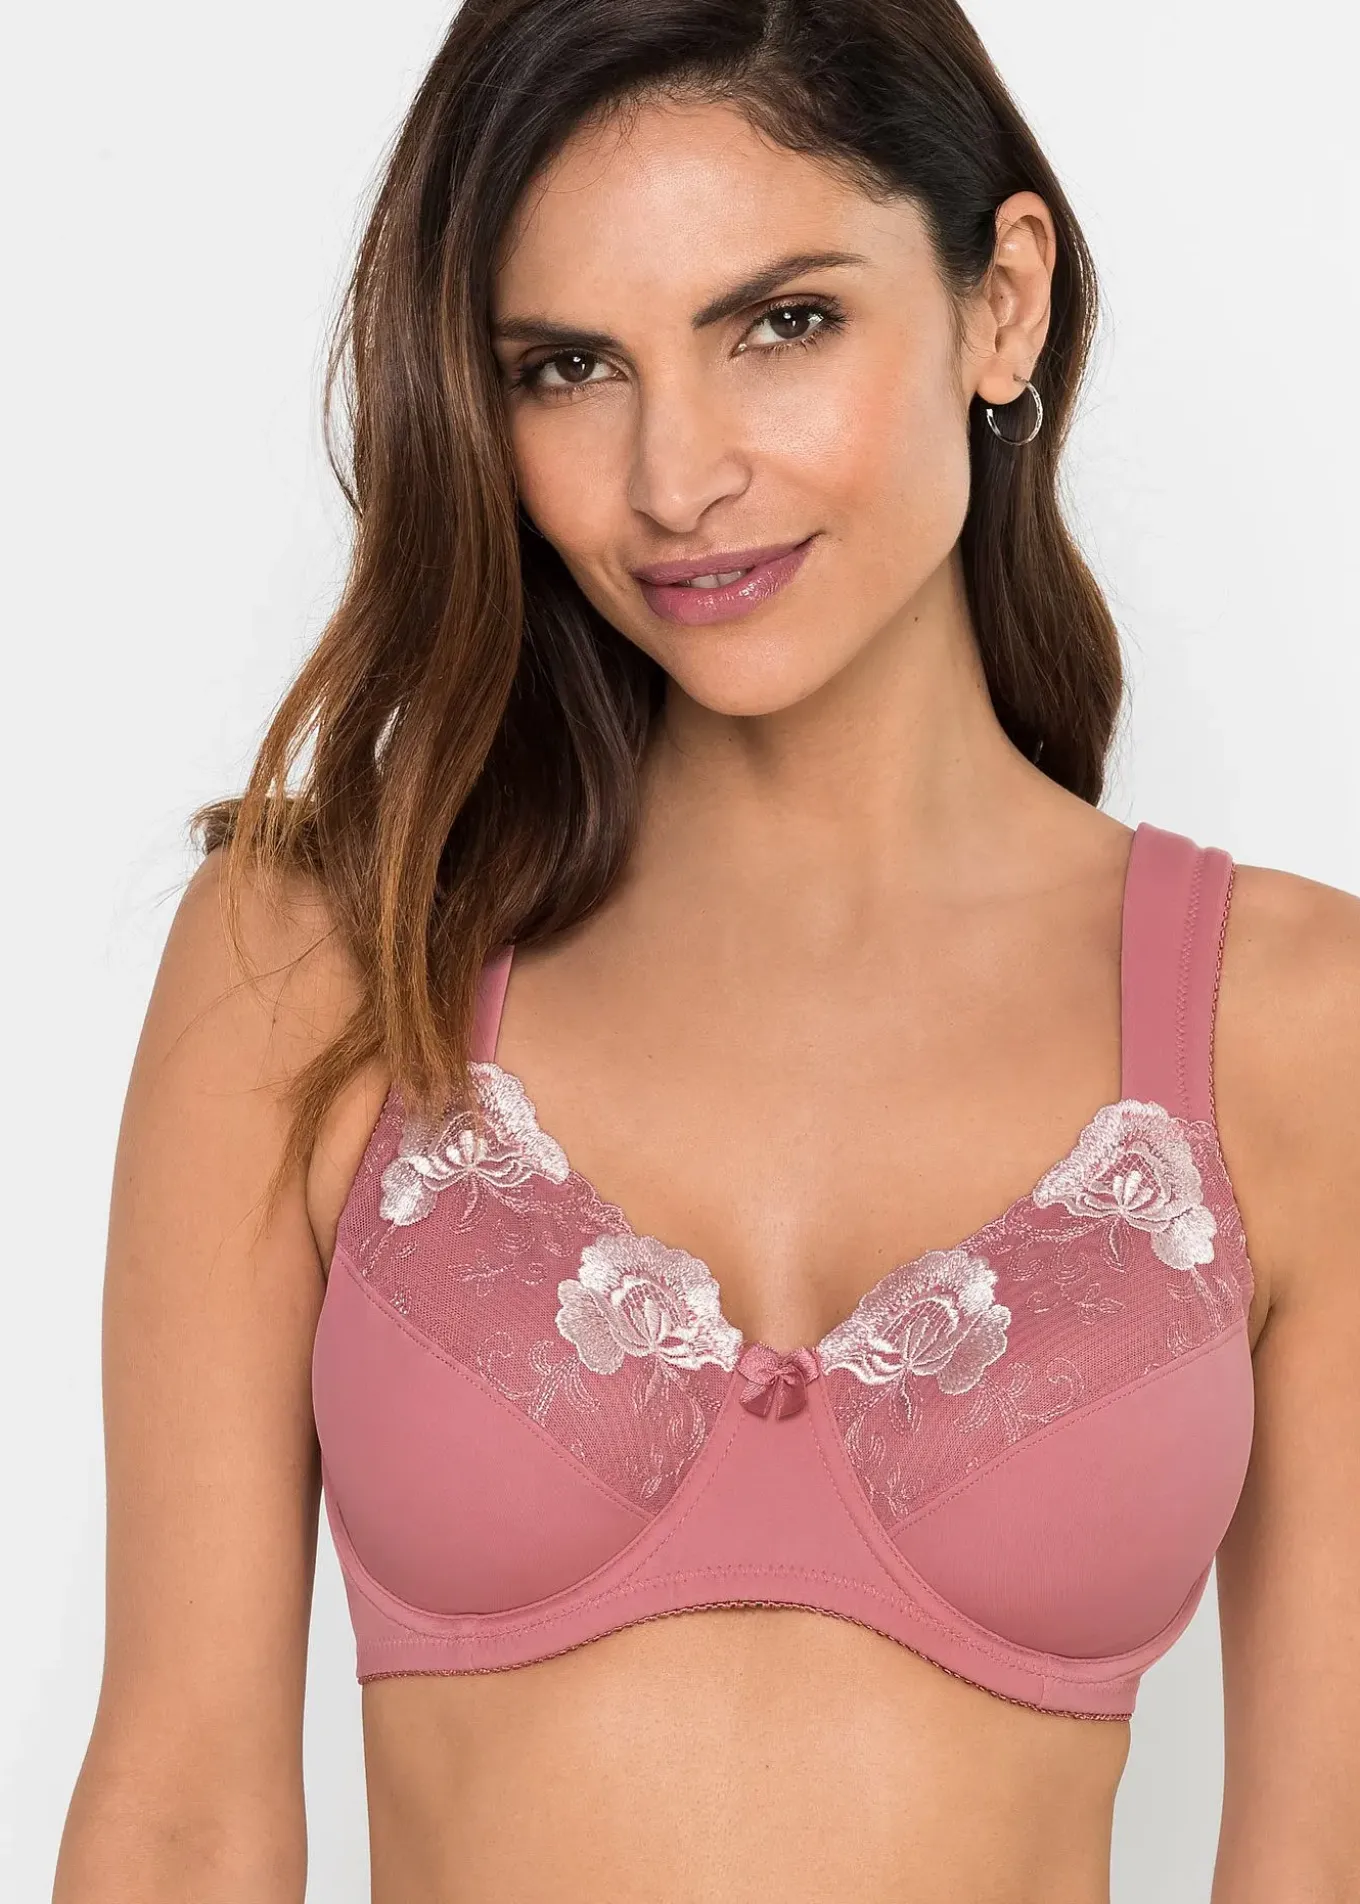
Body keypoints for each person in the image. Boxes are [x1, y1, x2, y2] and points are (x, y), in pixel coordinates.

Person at [52, 0, 1360, 1899]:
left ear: (1001, 302)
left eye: (782, 323)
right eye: (570, 366)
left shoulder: (1296, 1025)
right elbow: (181, 1821)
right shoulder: (322, 960)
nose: (674, 478)